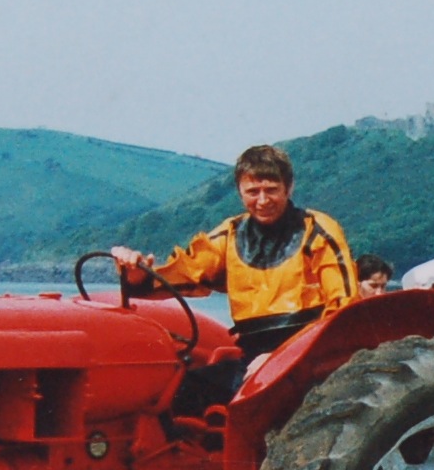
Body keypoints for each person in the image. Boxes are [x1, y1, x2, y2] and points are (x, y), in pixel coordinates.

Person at [112, 143, 358, 358]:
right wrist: (138, 274)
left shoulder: (318, 230)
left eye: (271, 189)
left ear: (288, 188)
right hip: (251, 351)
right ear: (240, 193)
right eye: (253, 192)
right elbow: (187, 273)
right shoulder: (229, 234)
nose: (262, 201)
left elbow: (344, 308)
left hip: (310, 352)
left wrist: (282, 359)